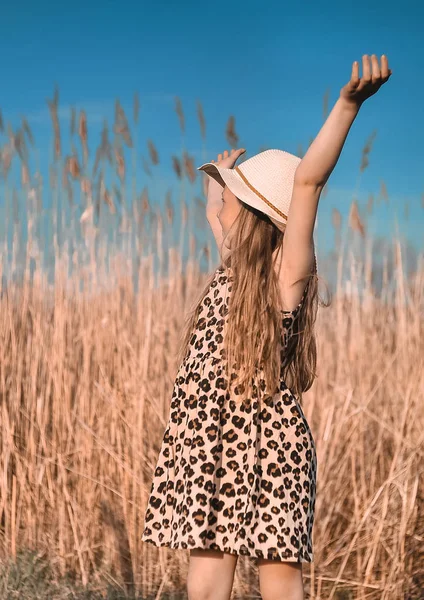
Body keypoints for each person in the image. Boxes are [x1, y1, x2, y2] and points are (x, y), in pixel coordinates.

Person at [141, 55, 392, 600]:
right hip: (209, 444)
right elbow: (220, 219)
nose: (221, 206)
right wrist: (217, 192)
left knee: (281, 587)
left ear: (254, 216)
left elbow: (307, 183)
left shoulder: (285, 275)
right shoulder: (236, 271)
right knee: (205, 584)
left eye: (230, 199)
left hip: (268, 448)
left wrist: (347, 106)